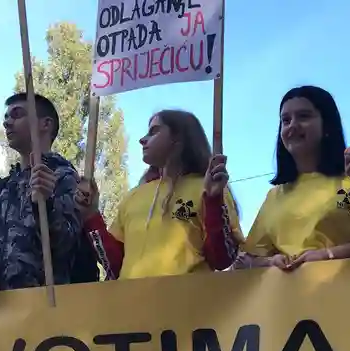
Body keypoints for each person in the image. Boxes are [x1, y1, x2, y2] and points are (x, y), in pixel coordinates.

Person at [75, 109, 243, 280]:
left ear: (179, 138)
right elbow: (115, 266)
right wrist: (91, 215)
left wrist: (214, 200)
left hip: (186, 297)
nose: (142, 139)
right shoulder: (133, 197)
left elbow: (222, 259)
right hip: (131, 297)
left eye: (154, 131)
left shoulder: (208, 188)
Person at [235, 86, 350, 271]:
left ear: (327, 125)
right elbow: (248, 259)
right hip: (289, 289)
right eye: (286, 120)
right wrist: (270, 262)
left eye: (304, 116)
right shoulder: (274, 196)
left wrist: (328, 255)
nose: (292, 125)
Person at [0, 93, 82, 304]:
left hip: (46, 308)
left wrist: (45, 205)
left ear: (45, 124)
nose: (7, 122)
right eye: (6, 117)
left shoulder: (65, 177)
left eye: (17, 114)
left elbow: (67, 246)